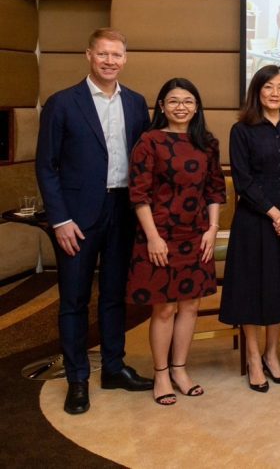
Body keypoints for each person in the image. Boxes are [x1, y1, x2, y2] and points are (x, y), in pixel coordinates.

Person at [36, 28, 154, 415]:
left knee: (115, 296)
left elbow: (144, 161)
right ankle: (77, 379)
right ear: (89, 55)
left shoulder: (136, 103)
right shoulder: (62, 103)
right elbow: (46, 166)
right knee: (74, 300)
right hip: (77, 218)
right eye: (103, 54)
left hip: (123, 211)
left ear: (125, 59)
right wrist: (60, 220)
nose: (109, 61)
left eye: (116, 55)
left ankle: (114, 368)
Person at [126, 78, 226, 406]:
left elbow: (215, 189)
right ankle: (161, 374)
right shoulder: (149, 141)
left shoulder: (207, 142)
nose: (180, 107)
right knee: (165, 308)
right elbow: (138, 194)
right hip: (159, 236)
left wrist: (212, 229)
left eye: (187, 101)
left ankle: (180, 369)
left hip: (196, 234)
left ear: (196, 107)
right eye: (173, 101)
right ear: (162, 106)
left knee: (191, 305)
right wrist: (152, 237)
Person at [219, 65, 280, 392]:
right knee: (252, 289)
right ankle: (253, 358)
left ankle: (272, 355)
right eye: (269, 87)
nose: (275, 93)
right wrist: (277, 216)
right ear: (257, 90)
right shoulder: (242, 129)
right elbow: (243, 182)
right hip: (255, 222)